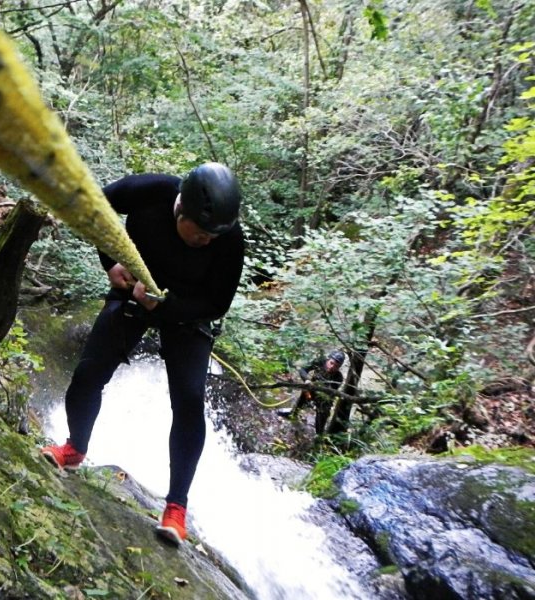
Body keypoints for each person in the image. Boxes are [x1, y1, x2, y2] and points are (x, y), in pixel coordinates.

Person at [40, 162, 244, 546]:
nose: (207, 241)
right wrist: (110, 261)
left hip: (186, 313)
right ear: (180, 208)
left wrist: (164, 309)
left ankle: (176, 508)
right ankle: (73, 448)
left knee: (188, 400)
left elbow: (217, 302)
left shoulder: (228, 239)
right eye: (200, 233)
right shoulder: (150, 191)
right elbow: (94, 207)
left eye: (213, 235)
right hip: (133, 290)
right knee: (88, 375)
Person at [287, 350, 345, 435]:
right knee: (304, 391)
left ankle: (319, 436)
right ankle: (294, 414)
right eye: (331, 363)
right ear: (328, 360)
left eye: (336, 366)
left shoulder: (338, 378)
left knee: (321, 418)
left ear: (339, 367)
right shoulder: (319, 362)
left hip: (325, 399)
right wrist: (307, 379)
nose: (332, 367)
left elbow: (329, 393)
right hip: (311, 388)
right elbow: (303, 369)